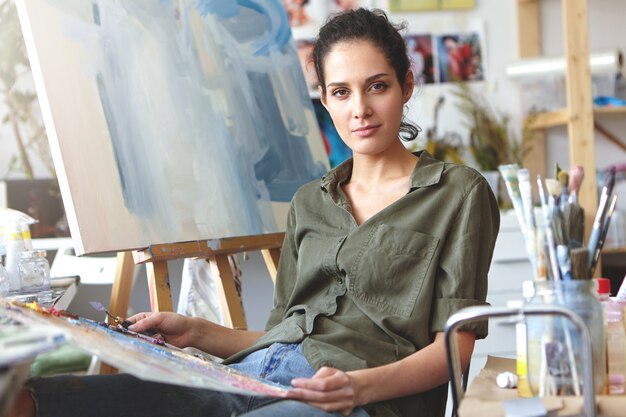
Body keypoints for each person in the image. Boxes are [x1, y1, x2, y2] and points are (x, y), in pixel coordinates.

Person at [9, 8, 499, 417]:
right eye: (342, 92)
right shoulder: (310, 201)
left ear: (406, 86)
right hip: (254, 375)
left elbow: (454, 351)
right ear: (325, 100)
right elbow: (283, 331)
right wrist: (195, 332)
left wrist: (358, 388)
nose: (360, 110)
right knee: (47, 402)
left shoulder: (458, 193)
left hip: (355, 402)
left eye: (377, 86)